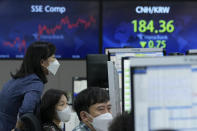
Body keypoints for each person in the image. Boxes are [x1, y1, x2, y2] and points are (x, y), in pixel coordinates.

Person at [0, 41, 60, 131]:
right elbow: (26, 114)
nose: (56, 61)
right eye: (53, 57)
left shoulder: (19, 79)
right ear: (42, 62)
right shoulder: (35, 82)